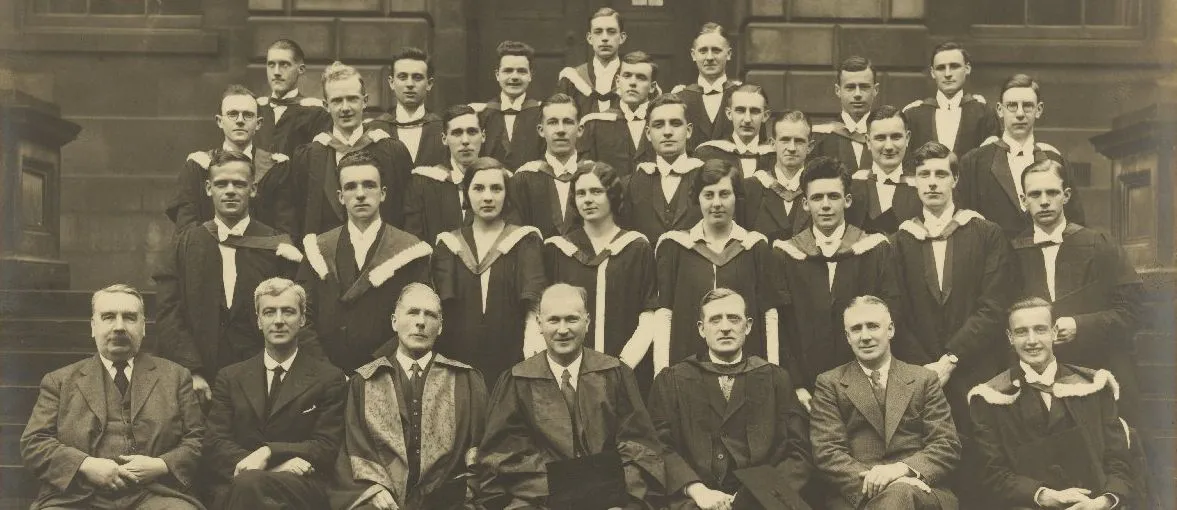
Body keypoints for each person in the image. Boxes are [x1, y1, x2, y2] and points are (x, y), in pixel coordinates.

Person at [476, 283, 665, 509]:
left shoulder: (614, 374)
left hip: (613, 498)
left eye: (572, 319)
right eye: (554, 320)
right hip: (538, 500)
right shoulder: (516, 381)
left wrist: (621, 501)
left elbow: (639, 446)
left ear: (587, 322)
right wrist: (566, 491)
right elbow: (504, 455)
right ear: (539, 323)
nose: (563, 329)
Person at [21, 285, 206, 510]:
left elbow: (198, 439)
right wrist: (85, 465)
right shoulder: (59, 381)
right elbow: (34, 442)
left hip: (154, 494)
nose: (119, 327)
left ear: (144, 327)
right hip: (78, 497)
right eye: (108, 317)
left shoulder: (176, 376)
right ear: (93, 326)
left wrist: (162, 464)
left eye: (129, 317)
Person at [155, 149, 310, 405]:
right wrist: (191, 369)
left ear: (253, 189)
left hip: (261, 380)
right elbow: (168, 311)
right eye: (221, 184)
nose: (230, 190)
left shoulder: (276, 246)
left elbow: (293, 316)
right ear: (208, 188)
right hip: (199, 380)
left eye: (239, 184)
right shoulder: (186, 243)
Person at [647, 288, 812, 510]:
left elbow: (798, 453)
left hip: (764, 500)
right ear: (701, 329)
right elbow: (658, 446)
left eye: (734, 318)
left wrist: (757, 495)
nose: (725, 327)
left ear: (749, 326)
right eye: (715, 320)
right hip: (694, 500)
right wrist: (697, 490)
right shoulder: (672, 380)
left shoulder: (776, 379)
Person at [891, 141, 1014, 434]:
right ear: (913, 180)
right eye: (924, 175)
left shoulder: (986, 234)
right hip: (918, 373)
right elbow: (895, 311)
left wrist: (951, 359)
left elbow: (994, 306)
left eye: (941, 174)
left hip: (975, 368)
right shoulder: (898, 242)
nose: (932, 183)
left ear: (955, 179)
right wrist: (927, 367)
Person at [1010, 159, 1145, 424]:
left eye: (1052, 192)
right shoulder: (1011, 252)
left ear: (1066, 196)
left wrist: (1080, 325)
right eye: (1035, 194)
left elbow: (1131, 312)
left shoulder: (1099, 245)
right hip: (1035, 377)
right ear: (1023, 200)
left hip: (1096, 366)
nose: (1045, 201)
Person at [332, 283, 489, 510]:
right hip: (382, 500)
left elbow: (483, 450)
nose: (421, 322)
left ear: (441, 326)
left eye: (430, 315)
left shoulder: (466, 380)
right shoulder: (364, 381)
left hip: (449, 501)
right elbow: (350, 449)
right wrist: (371, 491)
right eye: (413, 312)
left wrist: (465, 493)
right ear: (394, 321)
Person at [969, 297, 1136, 510]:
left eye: (1040, 329)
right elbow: (992, 473)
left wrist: (1104, 502)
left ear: (1054, 333)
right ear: (1010, 338)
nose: (1032, 340)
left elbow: (1119, 461)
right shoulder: (989, 397)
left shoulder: (1094, 386)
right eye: (1021, 332)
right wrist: (1044, 496)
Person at [204, 278, 346, 509]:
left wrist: (269, 451)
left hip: (300, 486)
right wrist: (270, 466)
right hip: (239, 481)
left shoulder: (329, 378)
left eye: (288, 312)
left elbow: (326, 446)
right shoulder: (230, 377)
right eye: (269, 312)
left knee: (249, 486)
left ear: (302, 319)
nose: (278, 321)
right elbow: (215, 442)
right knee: (248, 485)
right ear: (259, 321)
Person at [772, 156, 900, 413]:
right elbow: (782, 327)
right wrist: (795, 384)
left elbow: (890, 317)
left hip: (867, 386)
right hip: (805, 391)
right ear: (805, 204)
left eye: (834, 196)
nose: (826, 205)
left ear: (848, 200)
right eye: (817, 198)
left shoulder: (873, 249)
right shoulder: (786, 254)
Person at [810, 296, 961, 510]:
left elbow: (946, 445)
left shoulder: (923, 379)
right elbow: (828, 453)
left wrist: (901, 470)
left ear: (890, 330)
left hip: (919, 489)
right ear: (847, 337)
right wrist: (878, 482)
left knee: (900, 494)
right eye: (856, 329)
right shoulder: (830, 383)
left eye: (873, 326)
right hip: (857, 494)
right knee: (895, 497)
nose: (865, 336)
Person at [297, 151, 431, 373]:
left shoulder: (409, 250)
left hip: (388, 372)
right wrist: (326, 370)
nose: (360, 194)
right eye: (351, 187)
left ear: (383, 193)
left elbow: (418, 316)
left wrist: (376, 366)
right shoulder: (318, 249)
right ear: (340, 196)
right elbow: (303, 315)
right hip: (326, 374)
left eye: (369, 185)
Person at [655, 159, 780, 373]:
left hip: (747, 368)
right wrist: (661, 372)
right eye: (708, 195)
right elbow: (664, 313)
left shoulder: (754, 246)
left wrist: (774, 372)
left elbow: (769, 313)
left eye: (724, 194)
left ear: (736, 197)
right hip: (687, 367)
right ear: (698, 199)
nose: (716, 203)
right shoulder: (675, 246)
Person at [545, 161, 658, 392]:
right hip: (569, 375)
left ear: (613, 195)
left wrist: (623, 365)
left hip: (626, 372)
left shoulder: (636, 247)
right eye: (581, 193)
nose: (587, 199)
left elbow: (648, 315)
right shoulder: (559, 250)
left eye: (596, 191)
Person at [432, 157, 547, 384]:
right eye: (478, 188)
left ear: (507, 194)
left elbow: (534, 308)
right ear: (466, 193)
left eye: (496, 188)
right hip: (457, 359)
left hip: (511, 357)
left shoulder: (524, 240)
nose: (487, 197)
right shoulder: (449, 245)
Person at [291, 61, 414, 238]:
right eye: (337, 101)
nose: (345, 108)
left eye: (352, 99)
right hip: (326, 257)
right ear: (326, 106)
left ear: (365, 102)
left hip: (382, 255)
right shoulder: (308, 157)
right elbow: (299, 216)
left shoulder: (393, 151)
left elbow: (407, 210)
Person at [957, 73, 1085, 238]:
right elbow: (964, 223)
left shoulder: (1055, 160)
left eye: (1027, 106)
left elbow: (1075, 223)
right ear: (999, 110)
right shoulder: (974, 161)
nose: (1019, 113)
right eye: (1012, 105)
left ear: (1038, 110)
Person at [168, 84, 297, 236]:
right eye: (232, 114)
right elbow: (186, 229)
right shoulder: (199, 166)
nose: (240, 121)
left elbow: (285, 231)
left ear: (259, 123)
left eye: (248, 115)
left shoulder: (276, 168)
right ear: (219, 121)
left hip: (261, 255)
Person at [622, 93, 705, 243]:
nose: (667, 132)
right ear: (648, 133)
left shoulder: (706, 179)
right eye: (659, 125)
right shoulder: (633, 184)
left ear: (689, 131)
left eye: (675, 123)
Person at [402, 104, 485, 243]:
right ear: (444, 138)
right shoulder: (423, 184)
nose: (465, 141)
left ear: (483, 136)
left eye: (472, 132)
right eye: (457, 133)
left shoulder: (500, 182)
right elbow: (415, 242)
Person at [902, 42, 999, 161]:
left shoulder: (984, 113)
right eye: (941, 68)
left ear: (967, 69)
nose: (947, 74)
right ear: (932, 72)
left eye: (954, 66)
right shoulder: (914, 114)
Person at [509, 93, 585, 238]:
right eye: (553, 122)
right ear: (541, 130)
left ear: (580, 129)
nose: (561, 130)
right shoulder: (523, 179)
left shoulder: (596, 176)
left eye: (568, 122)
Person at [578, 50, 660, 177]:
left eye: (641, 77)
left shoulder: (664, 122)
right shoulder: (596, 123)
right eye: (627, 75)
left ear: (652, 87)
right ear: (617, 81)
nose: (632, 82)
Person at [363, 47, 448, 167]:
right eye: (403, 77)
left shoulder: (443, 129)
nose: (410, 84)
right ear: (392, 82)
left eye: (417, 77)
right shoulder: (373, 129)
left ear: (429, 84)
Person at [845, 105, 922, 235]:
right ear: (868, 141)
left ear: (907, 138)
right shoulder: (851, 186)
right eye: (880, 138)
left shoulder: (920, 187)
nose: (888, 146)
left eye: (896, 137)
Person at [742, 110, 813, 241]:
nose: (791, 148)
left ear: (810, 146)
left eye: (799, 141)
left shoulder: (818, 190)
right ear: (773, 144)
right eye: (785, 140)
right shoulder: (750, 188)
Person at [254, 39, 332, 157]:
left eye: (284, 64)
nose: (276, 72)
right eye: (271, 64)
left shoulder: (316, 112)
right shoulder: (255, 109)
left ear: (301, 69)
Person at [475, 40, 545, 171]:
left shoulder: (541, 114)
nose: (514, 77)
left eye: (521, 71)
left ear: (530, 75)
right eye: (508, 71)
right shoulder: (482, 114)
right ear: (497, 75)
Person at [673, 23, 740, 150]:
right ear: (693, 55)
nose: (709, 57)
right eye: (703, 51)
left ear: (729, 54)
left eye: (716, 50)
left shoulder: (743, 97)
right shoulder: (680, 98)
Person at [692, 84, 774, 178]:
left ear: (765, 116)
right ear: (729, 114)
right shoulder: (708, 153)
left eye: (754, 111)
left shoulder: (774, 156)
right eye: (740, 110)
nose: (747, 119)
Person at [812, 56, 879, 170]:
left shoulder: (888, 136)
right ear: (838, 90)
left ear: (875, 90)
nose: (857, 94)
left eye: (864, 87)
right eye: (850, 87)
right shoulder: (821, 137)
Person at [556, 7, 627, 115]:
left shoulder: (633, 78)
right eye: (598, 32)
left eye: (611, 32)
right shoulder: (572, 79)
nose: (604, 38)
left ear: (622, 37)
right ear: (589, 38)